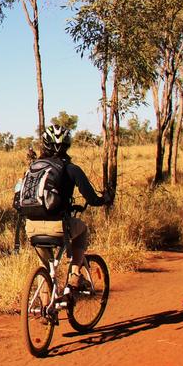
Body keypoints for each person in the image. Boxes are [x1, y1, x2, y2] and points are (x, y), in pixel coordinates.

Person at [25, 124, 113, 290]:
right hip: (58, 227)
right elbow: (92, 199)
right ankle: (74, 274)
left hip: (31, 227)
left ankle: (46, 307)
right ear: (68, 145)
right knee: (83, 230)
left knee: (46, 269)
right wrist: (105, 199)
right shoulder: (71, 169)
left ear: (44, 144)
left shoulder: (34, 168)